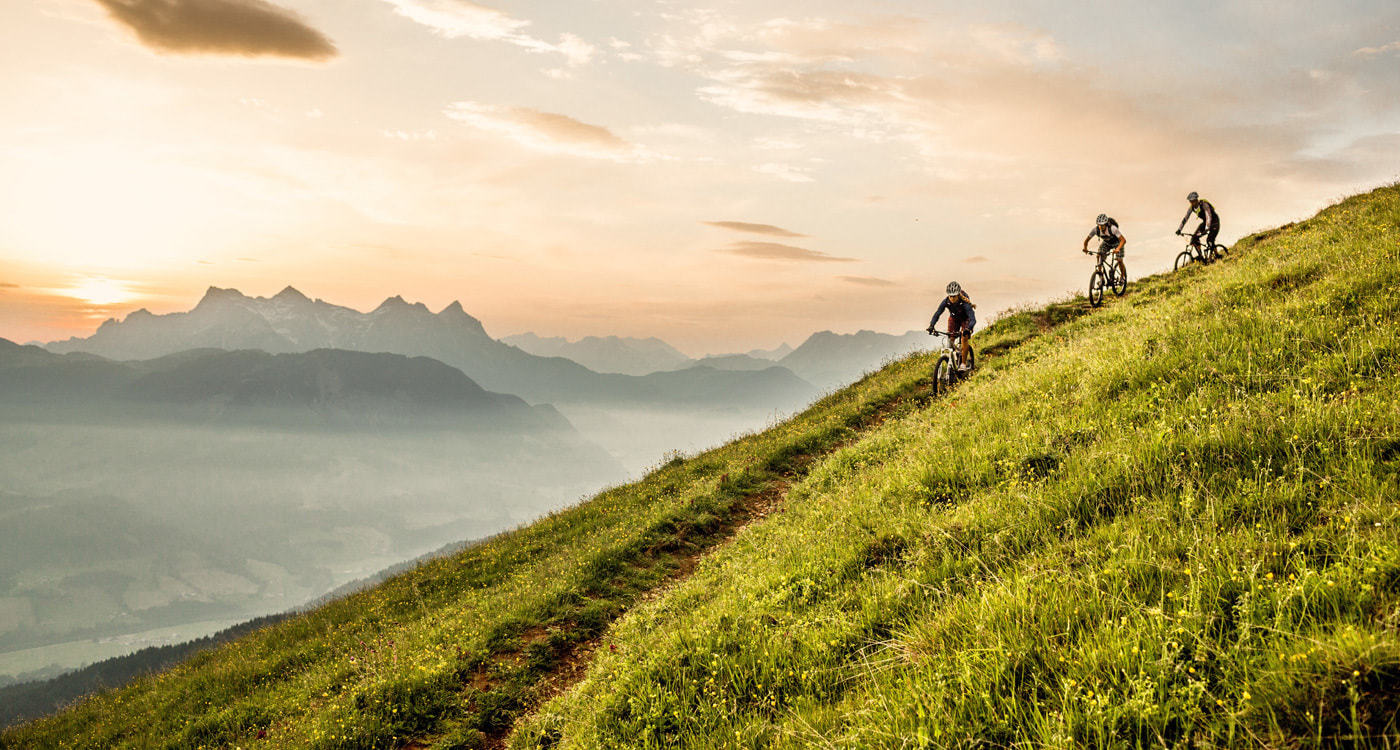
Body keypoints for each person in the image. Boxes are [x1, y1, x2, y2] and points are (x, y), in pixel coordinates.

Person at [927, 281, 976, 370]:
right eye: (950, 296)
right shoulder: (946, 301)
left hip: (966, 319)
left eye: (954, 296)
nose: (952, 298)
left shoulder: (964, 303)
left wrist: (968, 329)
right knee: (950, 339)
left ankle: (963, 364)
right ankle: (952, 361)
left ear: (958, 295)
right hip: (954, 319)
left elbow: (973, 319)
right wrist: (931, 325)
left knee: (964, 338)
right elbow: (938, 313)